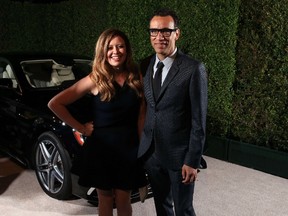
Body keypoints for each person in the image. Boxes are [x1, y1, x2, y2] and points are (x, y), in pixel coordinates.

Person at [48, 28, 147, 216]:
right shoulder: (95, 79)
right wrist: (81, 128)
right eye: (110, 47)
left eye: (120, 46)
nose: (116, 51)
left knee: (124, 198)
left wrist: (142, 147)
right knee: (106, 197)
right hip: (102, 148)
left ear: (127, 50)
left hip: (128, 147)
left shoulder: (136, 76)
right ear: (103, 50)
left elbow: (142, 115)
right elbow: (55, 103)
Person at [137, 8, 208, 216]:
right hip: (152, 155)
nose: (160, 37)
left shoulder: (193, 69)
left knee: (183, 210)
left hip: (180, 158)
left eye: (166, 31)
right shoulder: (145, 64)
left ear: (177, 33)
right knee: (162, 207)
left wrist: (192, 161)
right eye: (154, 31)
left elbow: (199, 121)